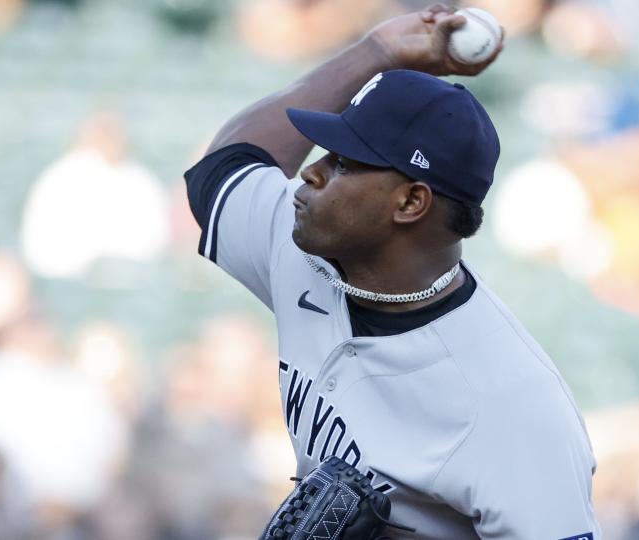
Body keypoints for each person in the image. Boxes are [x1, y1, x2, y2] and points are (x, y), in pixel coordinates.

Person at [183, 4, 600, 538]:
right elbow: (224, 169)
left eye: (342, 162)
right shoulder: (306, 247)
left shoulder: (513, 405)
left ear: (410, 202)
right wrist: (375, 53)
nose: (309, 170)